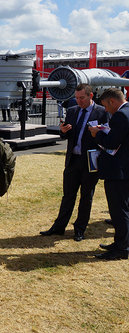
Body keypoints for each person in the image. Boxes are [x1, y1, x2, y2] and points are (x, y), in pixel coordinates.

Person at [40, 84, 108, 241]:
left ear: (91, 96)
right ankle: (59, 227)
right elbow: (66, 135)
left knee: (86, 196)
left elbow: (107, 135)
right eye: (76, 98)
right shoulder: (72, 111)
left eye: (82, 98)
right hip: (72, 159)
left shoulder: (102, 112)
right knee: (68, 195)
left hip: (91, 161)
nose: (79, 101)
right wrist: (62, 132)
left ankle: (80, 229)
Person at [88, 88, 129, 260]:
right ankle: (121, 243)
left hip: (118, 172)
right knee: (123, 209)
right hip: (124, 170)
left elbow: (112, 143)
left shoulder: (121, 116)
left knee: (119, 211)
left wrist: (97, 134)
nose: (105, 110)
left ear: (112, 101)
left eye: (105, 105)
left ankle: (122, 248)